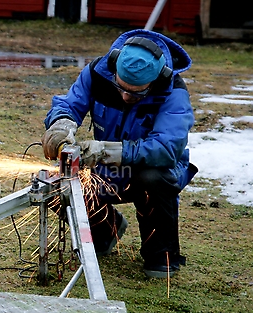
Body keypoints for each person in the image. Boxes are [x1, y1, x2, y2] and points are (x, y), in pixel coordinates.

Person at [41, 29, 198, 278]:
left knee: (152, 178)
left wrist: (106, 151)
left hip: (153, 174)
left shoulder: (173, 92)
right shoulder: (96, 73)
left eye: (136, 93)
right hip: (106, 174)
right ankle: (105, 232)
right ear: (114, 66)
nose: (126, 96)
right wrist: (61, 125)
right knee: (50, 184)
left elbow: (166, 148)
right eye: (121, 87)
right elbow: (69, 103)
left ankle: (161, 256)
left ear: (157, 80)